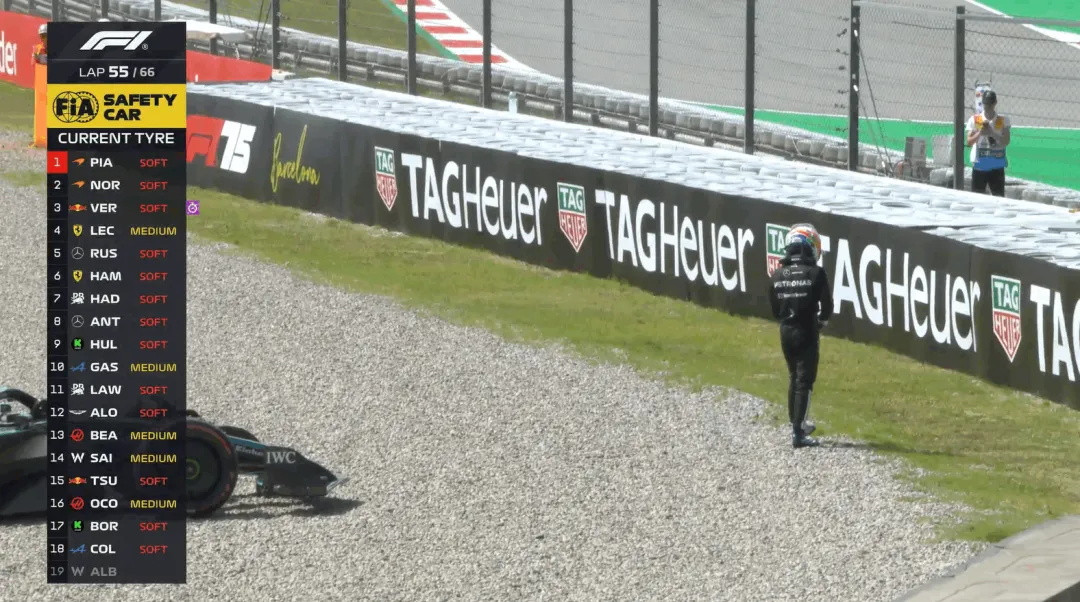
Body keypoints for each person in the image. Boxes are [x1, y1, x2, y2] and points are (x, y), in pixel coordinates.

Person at [768, 223, 832, 449]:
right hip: (807, 330)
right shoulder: (817, 273)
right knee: (805, 380)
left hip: (786, 331)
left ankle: (795, 423)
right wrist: (821, 322)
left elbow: (775, 310)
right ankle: (799, 431)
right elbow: (827, 307)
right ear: (810, 247)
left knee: (793, 376)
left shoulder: (777, 274)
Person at [964, 90, 1011, 196]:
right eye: (986, 103)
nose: (988, 106)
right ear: (983, 103)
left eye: (990, 104)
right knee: (977, 196)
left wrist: (992, 133)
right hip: (980, 165)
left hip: (997, 166)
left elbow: (1006, 141)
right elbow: (969, 142)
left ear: (995, 103)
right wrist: (980, 133)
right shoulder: (975, 119)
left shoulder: (1002, 120)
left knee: (999, 197)